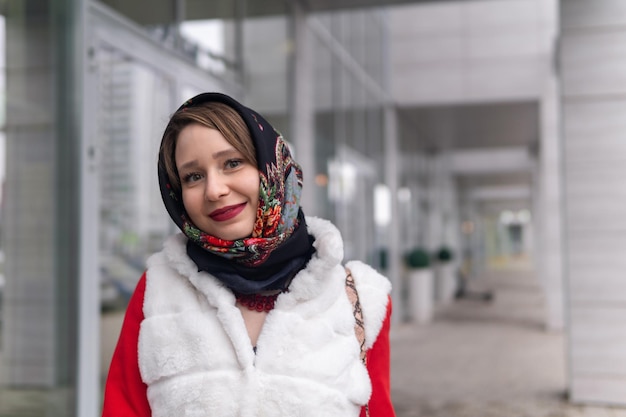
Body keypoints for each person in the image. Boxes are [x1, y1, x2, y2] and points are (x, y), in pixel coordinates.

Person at [102, 92, 395, 417]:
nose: (214, 190)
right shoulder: (158, 291)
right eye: (193, 176)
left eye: (232, 163)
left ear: (271, 164)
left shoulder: (358, 299)